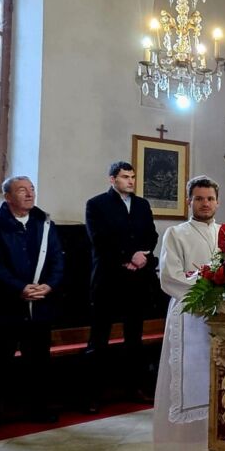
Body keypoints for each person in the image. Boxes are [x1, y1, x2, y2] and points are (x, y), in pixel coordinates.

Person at [0, 176, 64, 431]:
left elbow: (57, 259)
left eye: (32, 189)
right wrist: (18, 288)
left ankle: (39, 409)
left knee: (38, 362)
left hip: (39, 307)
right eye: (22, 190)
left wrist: (49, 285)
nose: (29, 194)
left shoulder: (44, 225)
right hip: (4, 308)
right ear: (8, 197)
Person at [153, 176, 221, 451]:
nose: (205, 204)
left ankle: (214, 445)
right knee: (184, 382)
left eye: (210, 198)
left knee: (215, 381)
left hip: (222, 318)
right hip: (188, 316)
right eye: (199, 198)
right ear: (188, 201)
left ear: (217, 202)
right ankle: (180, 449)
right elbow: (170, 276)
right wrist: (206, 290)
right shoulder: (176, 234)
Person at [83, 161, 159, 412]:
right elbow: (100, 239)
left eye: (133, 177)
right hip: (108, 278)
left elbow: (151, 235)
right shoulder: (96, 204)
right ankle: (93, 395)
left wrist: (142, 257)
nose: (130, 181)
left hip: (136, 280)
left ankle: (134, 387)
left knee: (134, 339)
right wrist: (128, 257)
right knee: (99, 339)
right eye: (125, 177)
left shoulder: (142, 205)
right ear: (112, 179)